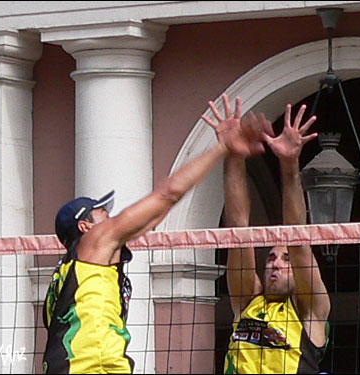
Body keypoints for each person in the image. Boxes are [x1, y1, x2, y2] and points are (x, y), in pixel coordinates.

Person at [42, 94, 260, 374]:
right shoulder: (95, 242)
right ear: (84, 227)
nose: (110, 217)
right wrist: (221, 147)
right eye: (102, 213)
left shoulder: (76, 270)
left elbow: (157, 214)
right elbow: (167, 194)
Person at [205, 103, 331, 374]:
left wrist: (289, 163)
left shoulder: (309, 309)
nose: (275, 263)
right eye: (272, 257)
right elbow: (238, 228)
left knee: (296, 240)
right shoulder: (247, 300)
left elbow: (297, 237)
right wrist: (234, 155)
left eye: (285, 260)